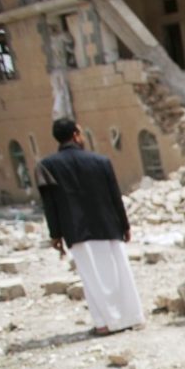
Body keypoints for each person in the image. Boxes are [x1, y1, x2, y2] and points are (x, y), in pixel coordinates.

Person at [36, 118, 145, 336]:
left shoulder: (47, 166)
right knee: (120, 273)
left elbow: (50, 204)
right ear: (76, 135)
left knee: (92, 279)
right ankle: (131, 317)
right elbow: (116, 197)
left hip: (76, 231)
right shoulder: (101, 161)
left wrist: (55, 234)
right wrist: (124, 225)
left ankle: (104, 324)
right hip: (108, 226)